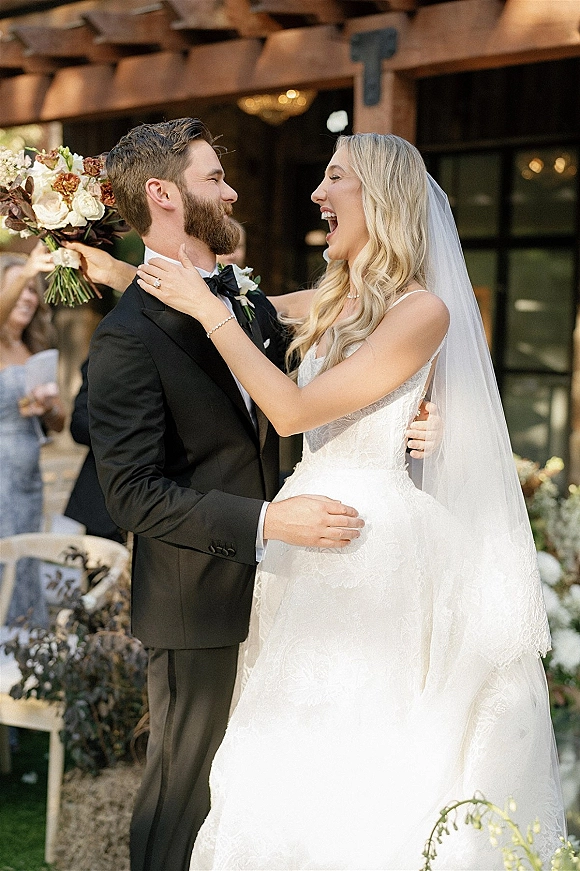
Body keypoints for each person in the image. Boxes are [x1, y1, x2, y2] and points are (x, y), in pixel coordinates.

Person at [139, 132, 566, 870]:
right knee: (284, 735)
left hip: (370, 548)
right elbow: (244, 309)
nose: (316, 194)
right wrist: (123, 269)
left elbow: (294, 410)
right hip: (299, 546)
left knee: (357, 739)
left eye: (334, 178)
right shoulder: (336, 299)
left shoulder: (423, 310)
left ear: (381, 197)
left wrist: (210, 314)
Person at [86, 117, 365, 871]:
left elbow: (308, 381)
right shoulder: (124, 340)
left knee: (251, 789)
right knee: (184, 794)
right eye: (213, 177)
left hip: (291, 591)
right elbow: (135, 496)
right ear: (162, 195)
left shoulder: (241, 300)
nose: (231, 189)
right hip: (197, 598)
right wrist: (270, 520)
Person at [0, 242, 66, 625]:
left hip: (28, 479)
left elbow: (59, 424)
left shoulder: (34, 350)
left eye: (31, 289)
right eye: (19, 287)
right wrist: (27, 268)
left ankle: (24, 650)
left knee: (26, 557)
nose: (27, 295)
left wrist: (49, 406)